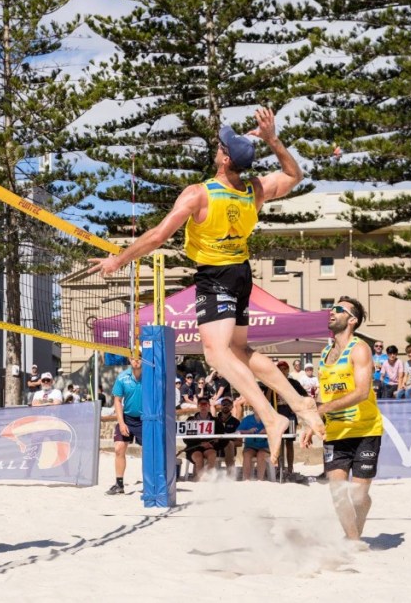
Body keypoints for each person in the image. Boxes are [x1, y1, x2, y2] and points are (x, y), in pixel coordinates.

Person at [88, 107, 324, 463]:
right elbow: (294, 173)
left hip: (216, 276)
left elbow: (155, 237)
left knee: (215, 353)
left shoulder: (199, 193)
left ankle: (271, 417)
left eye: (221, 145)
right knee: (241, 352)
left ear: (224, 157)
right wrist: (270, 138)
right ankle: (298, 401)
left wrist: (117, 260)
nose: (217, 145)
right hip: (241, 273)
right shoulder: (254, 189)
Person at [302, 296, 382, 543]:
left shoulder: (359, 349)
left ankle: (361, 516)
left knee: (358, 496)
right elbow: (324, 396)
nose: (331, 312)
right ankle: (353, 540)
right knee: (338, 492)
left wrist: (323, 409)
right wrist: (313, 423)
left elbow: (361, 392)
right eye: (332, 308)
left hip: (365, 429)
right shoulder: (325, 353)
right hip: (336, 433)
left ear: (352, 320)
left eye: (339, 309)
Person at [106, 357, 143, 495]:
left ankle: (151, 483)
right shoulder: (122, 377)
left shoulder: (150, 376)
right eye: (133, 358)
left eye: (140, 357)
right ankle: (119, 484)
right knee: (119, 448)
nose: (136, 360)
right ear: (129, 359)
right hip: (127, 418)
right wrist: (121, 423)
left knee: (150, 452)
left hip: (145, 420)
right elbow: (117, 401)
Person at [183, 397, 219, 481]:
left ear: (209, 406)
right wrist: (200, 443)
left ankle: (208, 478)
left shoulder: (216, 421)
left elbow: (220, 437)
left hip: (209, 447)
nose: (203, 406)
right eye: (201, 404)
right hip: (194, 447)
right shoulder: (190, 420)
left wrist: (213, 443)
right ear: (198, 406)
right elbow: (186, 439)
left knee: (212, 454)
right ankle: (200, 479)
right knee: (199, 457)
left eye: (205, 404)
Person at [236, 406, 271, 481]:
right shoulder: (247, 419)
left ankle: (260, 480)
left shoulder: (268, 418)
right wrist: (248, 431)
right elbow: (238, 432)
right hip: (250, 446)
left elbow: (276, 430)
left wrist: (267, 430)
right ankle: (246, 480)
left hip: (265, 446)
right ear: (253, 408)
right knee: (247, 454)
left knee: (261, 455)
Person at [214, 397, 241, 476]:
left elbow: (239, 442)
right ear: (220, 406)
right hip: (215, 448)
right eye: (223, 404)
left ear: (232, 407)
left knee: (229, 444)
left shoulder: (236, 422)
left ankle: (230, 476)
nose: (225, 406)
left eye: (228, 404)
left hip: (229, 450)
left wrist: (226, 443)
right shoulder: (214, 420)